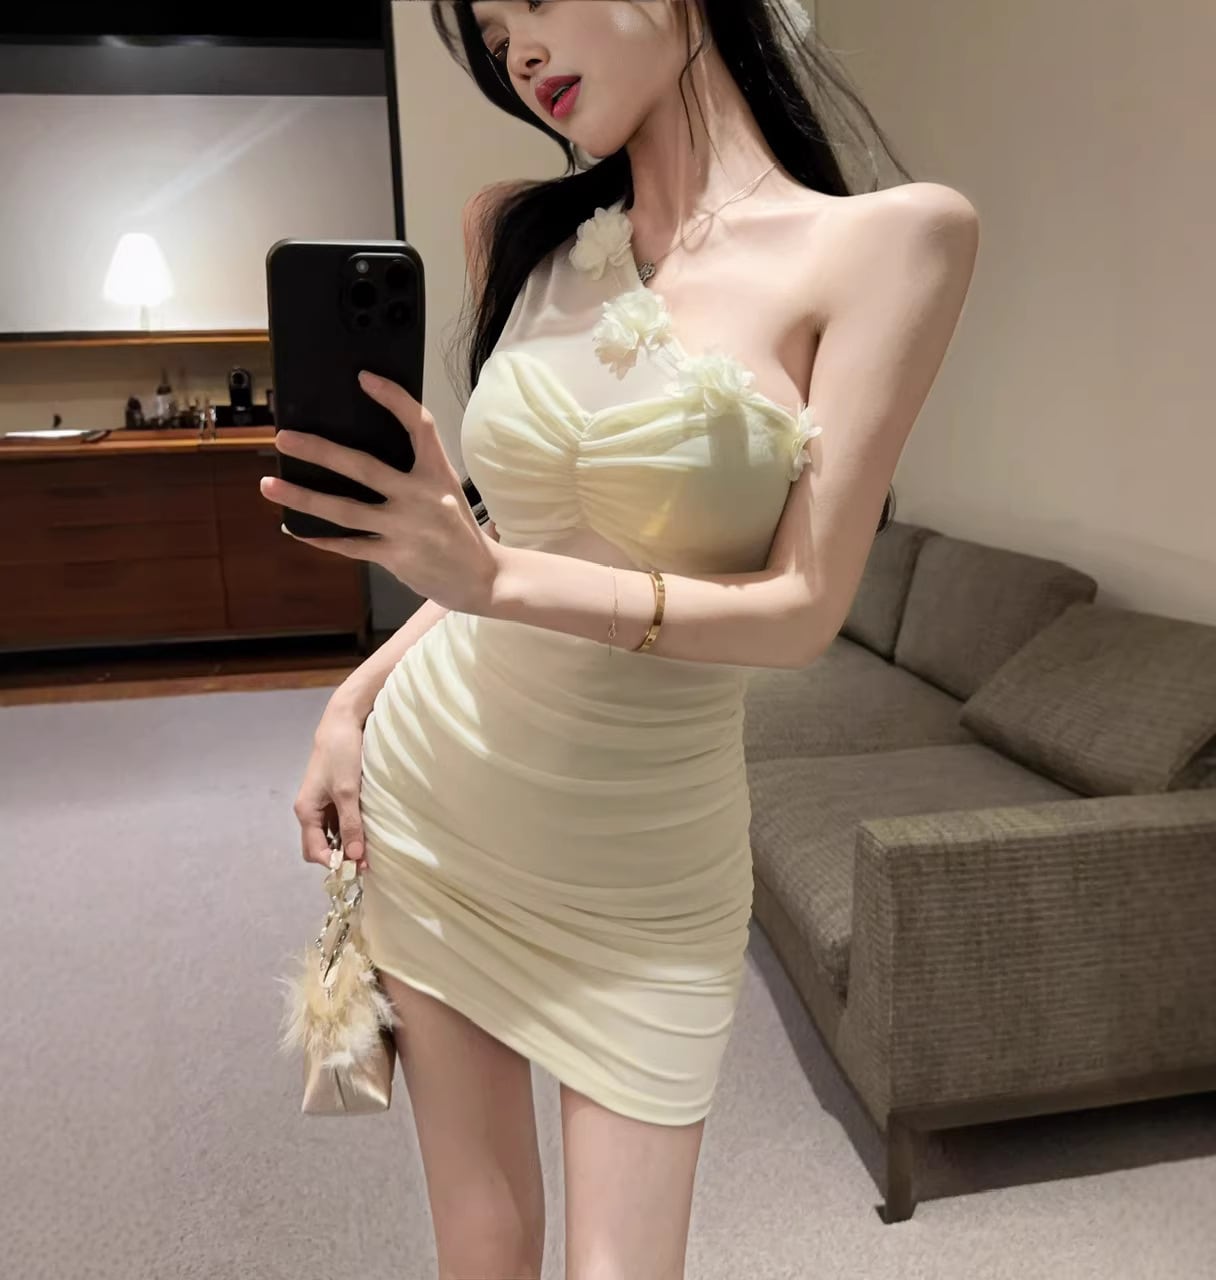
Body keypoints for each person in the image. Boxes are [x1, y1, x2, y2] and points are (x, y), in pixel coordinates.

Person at [264, 2, 979, 1276]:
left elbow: (800, 608)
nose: (517, 52)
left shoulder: (892, 241)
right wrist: (352, 699)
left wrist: (492, 575)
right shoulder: (515, 229)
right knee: (484, 1247)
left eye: (533, 4)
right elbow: (500, 544)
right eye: (492, 35)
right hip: (441, 807)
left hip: (647, 864)